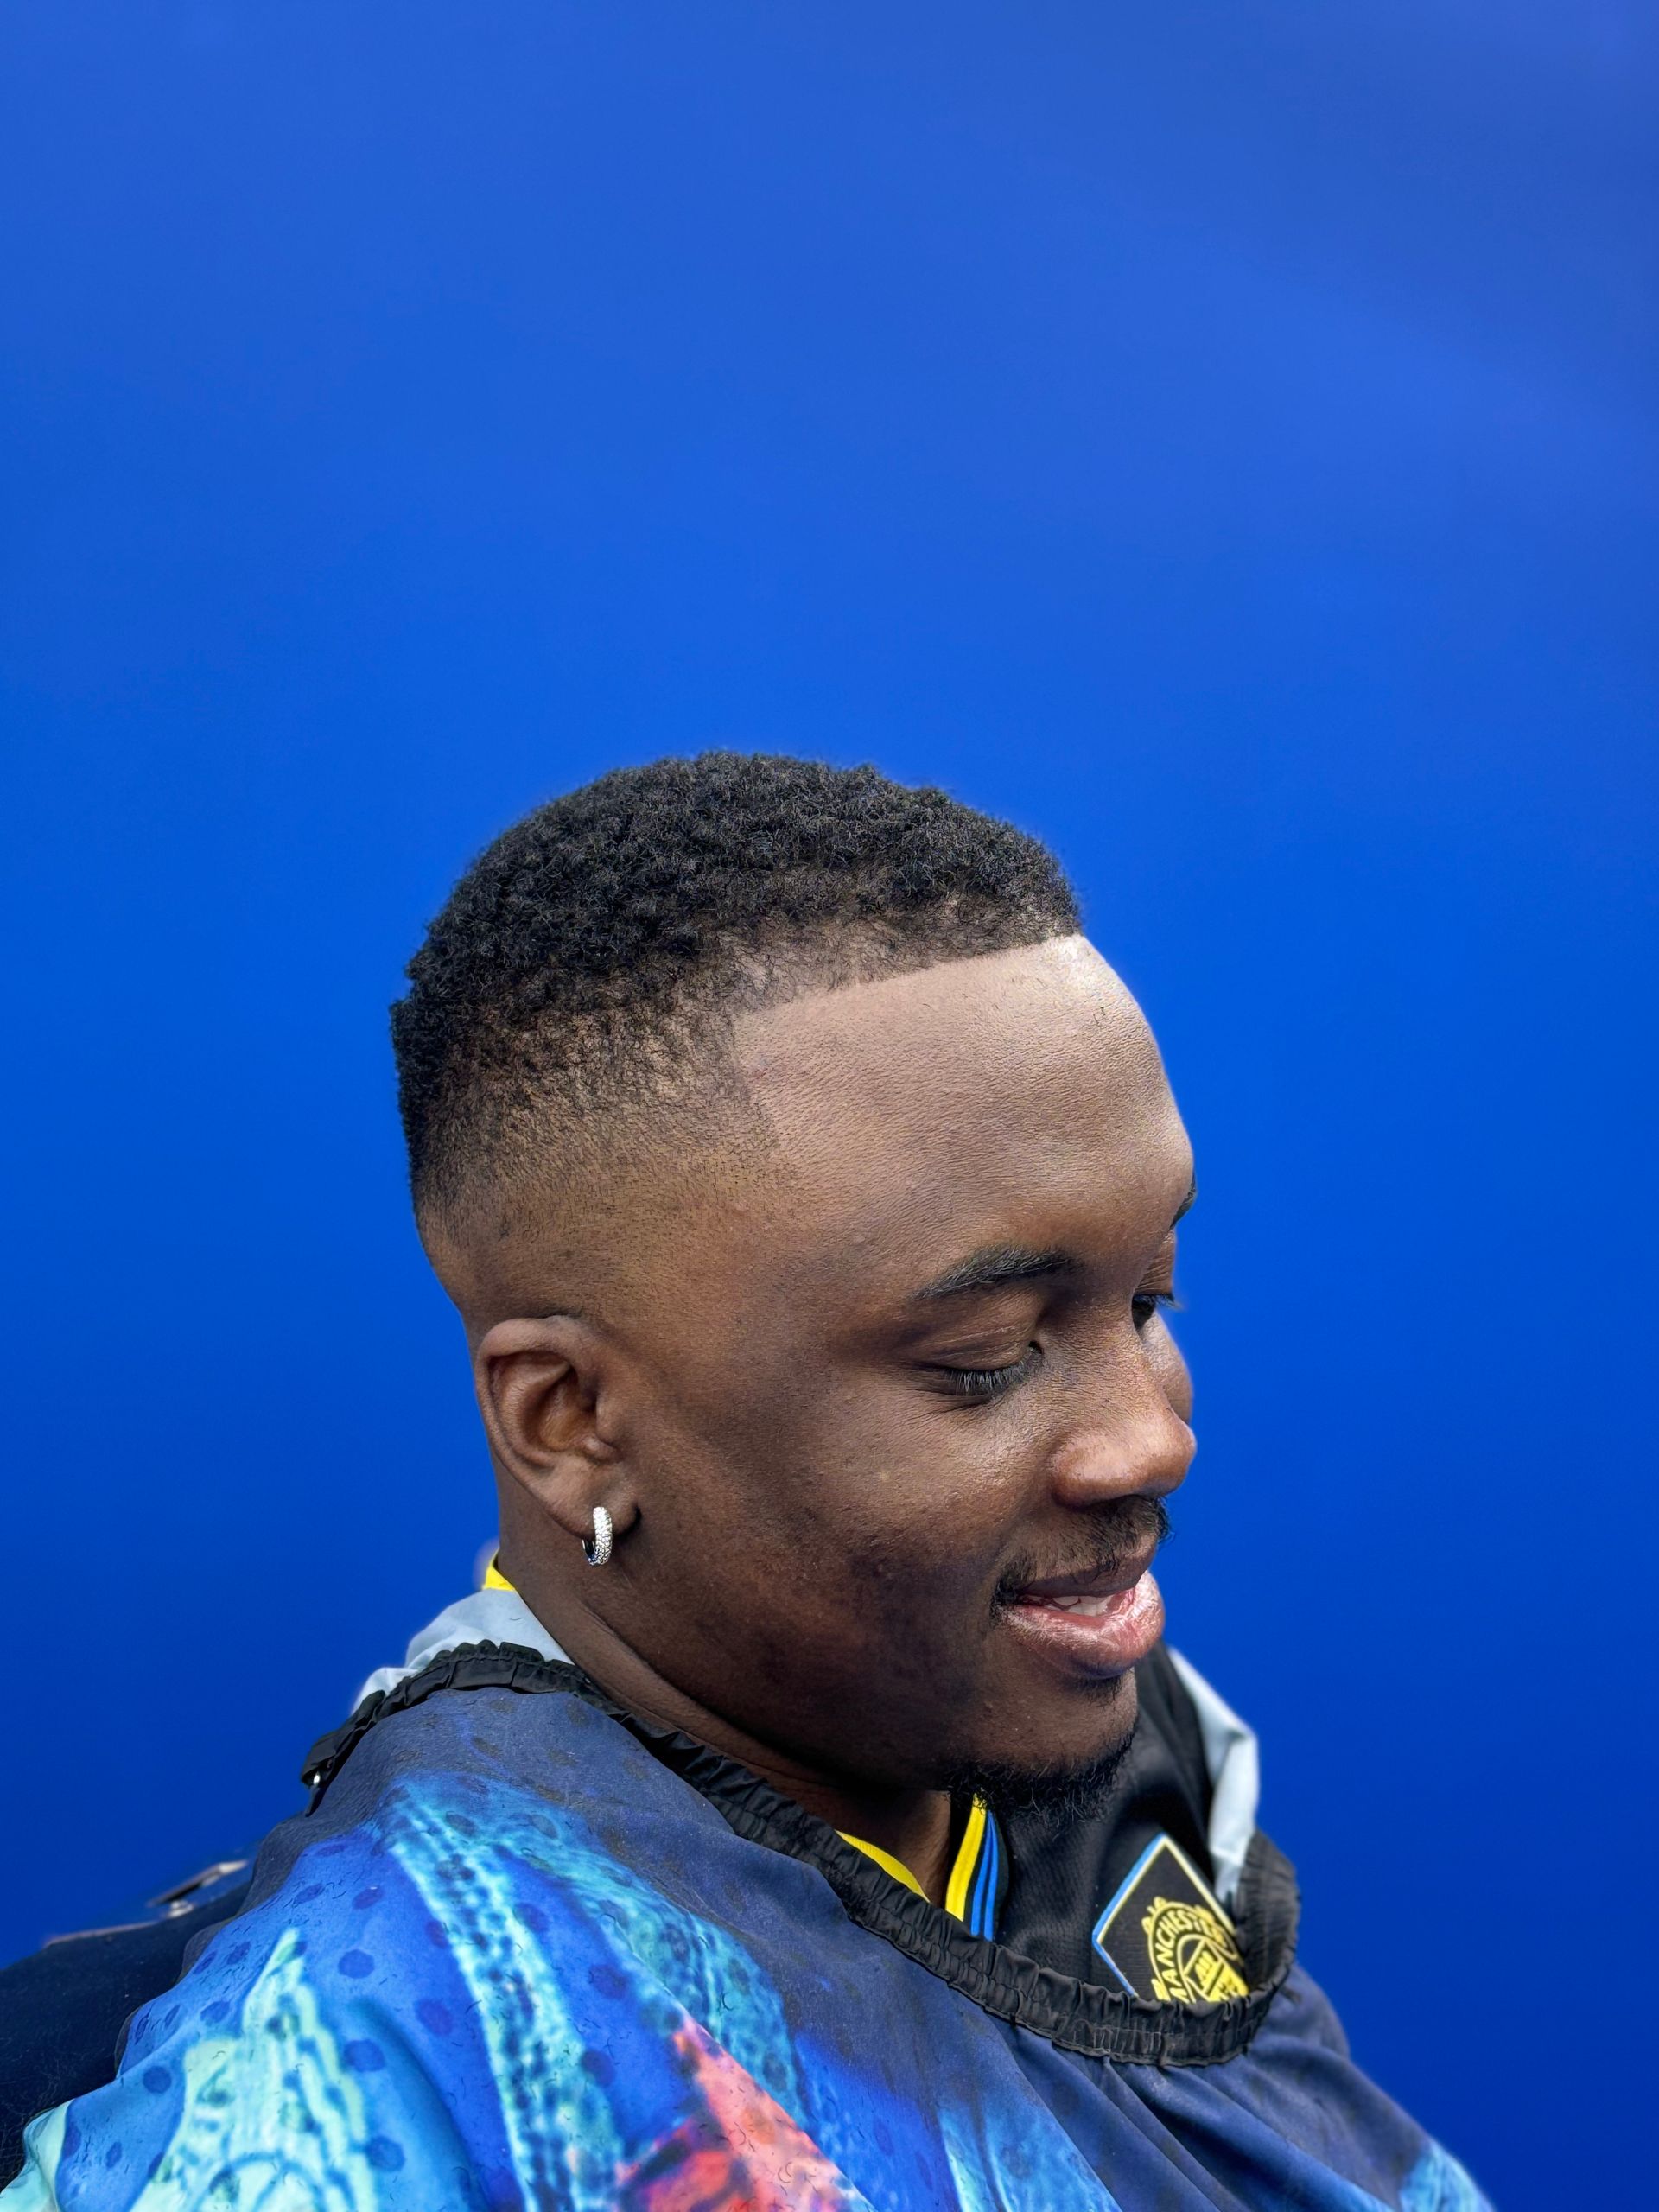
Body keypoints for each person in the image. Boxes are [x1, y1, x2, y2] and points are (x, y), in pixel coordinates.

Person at [2, 755, 1488, 2210]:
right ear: (571, 1417)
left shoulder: (1105, 1811)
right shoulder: (386, 2047)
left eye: (1151, 1298)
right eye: (984, 1355)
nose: (1153, 1439)